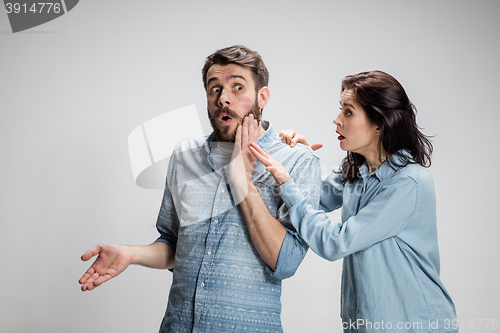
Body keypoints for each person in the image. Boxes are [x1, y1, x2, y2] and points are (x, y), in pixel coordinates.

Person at [78, 45, 321, 332]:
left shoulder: (298, 161)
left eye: (238, 87)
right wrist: (131, 254)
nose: (223, 99)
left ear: (262, 96)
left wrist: (242, 181)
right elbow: (174, 244)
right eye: (214, 89)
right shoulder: (185, 155)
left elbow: (286, 262)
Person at [246, 71, 457, 332]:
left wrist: (289, 183)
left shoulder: (409, 182)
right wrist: (300, 163)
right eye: (340, 110)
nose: (336, 120)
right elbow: (308, 198)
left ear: (379, 123)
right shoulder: (356, 173)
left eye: (348, 112)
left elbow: (335, 242)